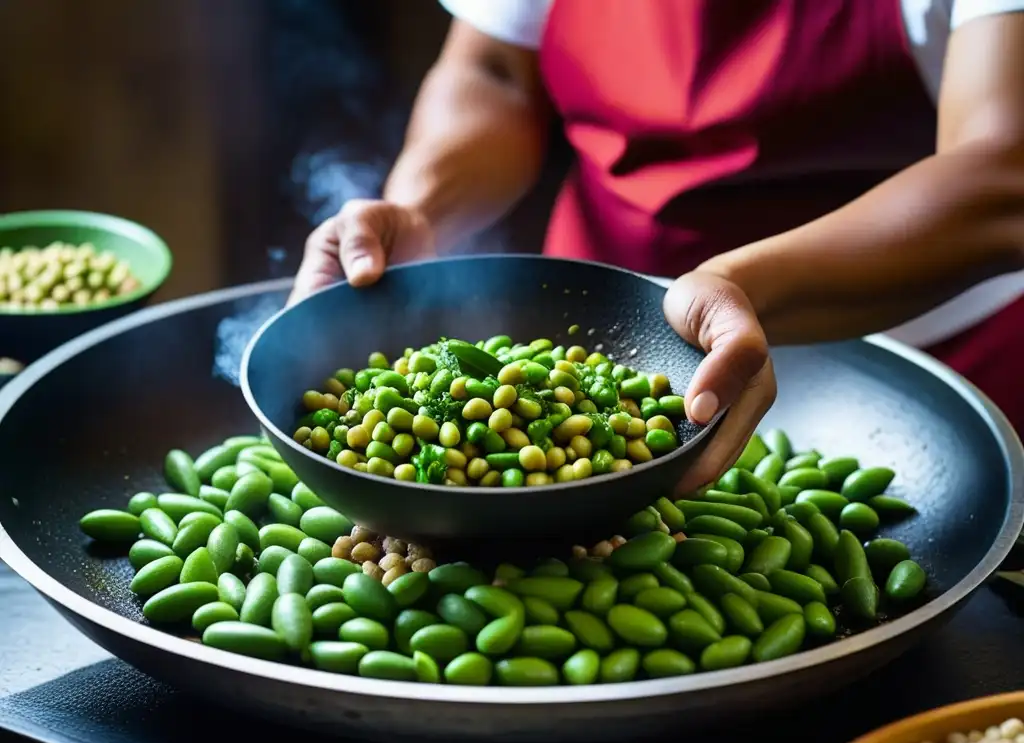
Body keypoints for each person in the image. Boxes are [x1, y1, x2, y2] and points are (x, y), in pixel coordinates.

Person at [292, 0, 1024, 493]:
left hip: (910, 374)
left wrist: (741, 286)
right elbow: (495, 74)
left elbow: (1004, 170)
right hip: (608, 336)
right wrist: (416, 211)